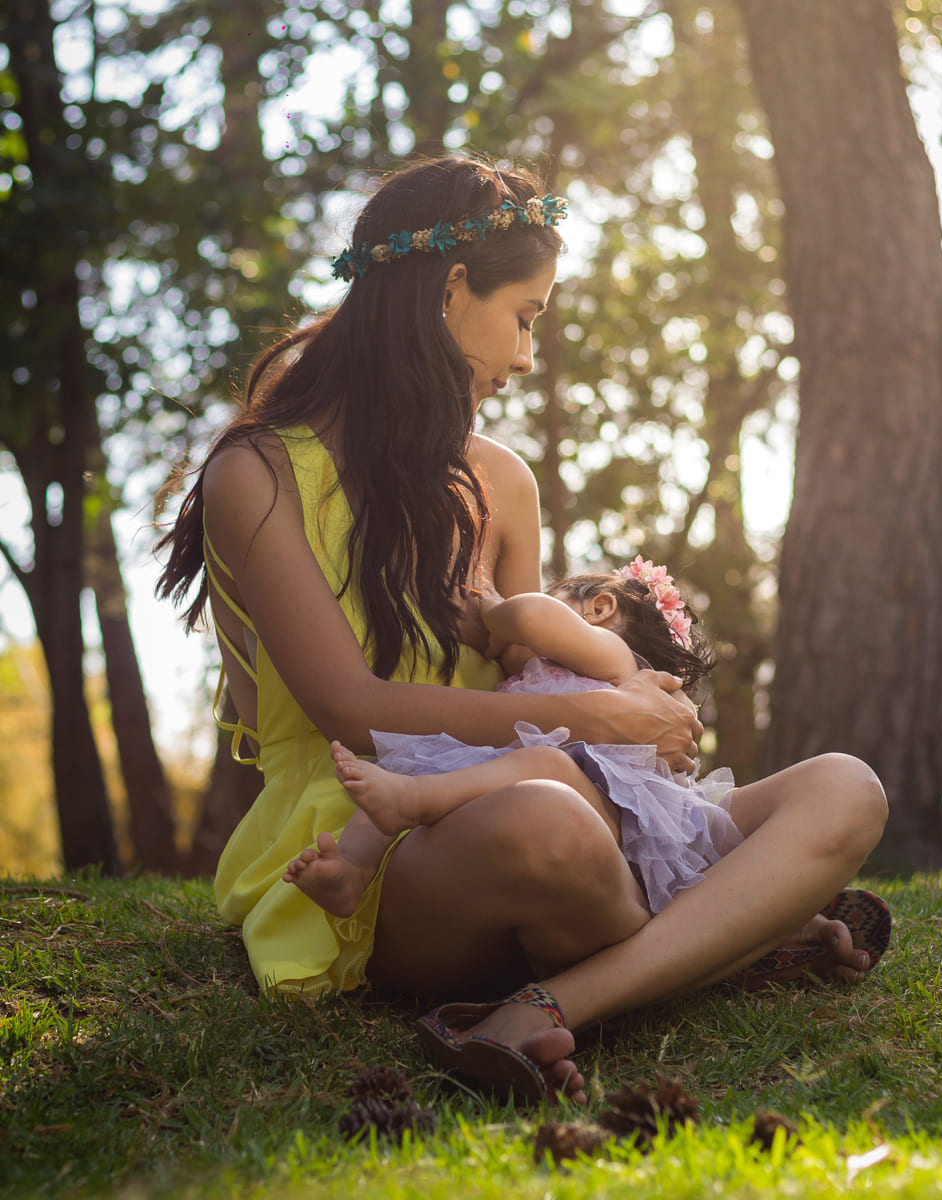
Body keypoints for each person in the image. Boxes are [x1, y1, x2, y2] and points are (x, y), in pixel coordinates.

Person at [156, 154, 890, 1108]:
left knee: (846, 788)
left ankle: (548, 1003)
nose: (528, 358)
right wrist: (602, 712)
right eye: (526, 318)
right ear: (453, 290)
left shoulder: (499, 480)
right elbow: (352, 707)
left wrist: (615, 700)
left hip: (544, 798)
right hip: (375, 838)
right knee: (551, 827)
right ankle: (738, 938)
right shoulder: (257, 475)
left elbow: (524, 681)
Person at [283, 558, 743, 921]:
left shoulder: (616, 657)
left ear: (599, 609)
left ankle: (415, 801)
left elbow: (530, 615)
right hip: (553, 799)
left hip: (588, 794)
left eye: (555, 595)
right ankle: (353, 868)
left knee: (540, 763)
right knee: (405, 766)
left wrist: (493, 608)